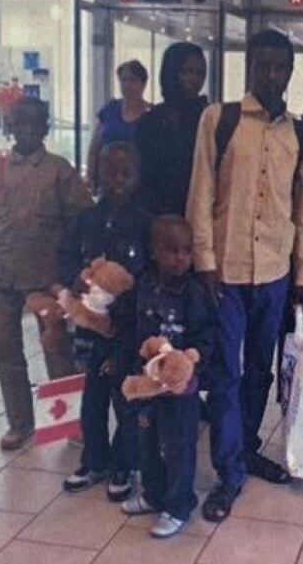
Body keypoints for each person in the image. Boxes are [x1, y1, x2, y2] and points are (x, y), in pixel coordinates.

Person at [186, 29, 303, 522]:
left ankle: (245, 449)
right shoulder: (218, 120)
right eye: (262, 66)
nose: (271, 75)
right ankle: (228, 472)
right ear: (250, 68)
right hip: (225, 272)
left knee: (260, 370)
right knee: (225, 372)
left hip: (276, 272)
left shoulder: (302, 132)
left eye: (279, 67)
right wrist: (204, 262)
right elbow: (200, 193)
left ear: (289, 71)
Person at [0, 97, 92, 450]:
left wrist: (75, 274)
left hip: (47, 278)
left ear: (45, 127)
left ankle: (64, 421)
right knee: (2, 349)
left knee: (57, 350)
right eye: (20, 122)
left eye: (34, 123)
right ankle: (20, 421)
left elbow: (83, 220)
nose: (27, 129)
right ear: (9, 126)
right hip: (0, 276)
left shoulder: (60, 170)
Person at [59, 142, 151, 501]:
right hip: (91, 326)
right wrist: (76, 279)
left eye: (125, 172)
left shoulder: (145, 223)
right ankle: (94, 459)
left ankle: (124, 464)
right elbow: (66, 258)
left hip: (126, 328)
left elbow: (148, 275)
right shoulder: (85, 221)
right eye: (109, 171)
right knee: (93, 396)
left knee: (124, 396)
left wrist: (127, 300)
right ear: (96, 173)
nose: (117, 179)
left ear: (137, 176)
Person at [120, 215, 216, 538]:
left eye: (187, 251)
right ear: (153, 252)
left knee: (178, 446)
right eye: (172, 250)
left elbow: (205, 337)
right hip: (147, 385)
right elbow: (131, 329)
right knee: (147, 440)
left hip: (179, 389)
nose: (181, 258)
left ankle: (177, 505)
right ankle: (154, 493)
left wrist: (192, 359)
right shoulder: (142, 285)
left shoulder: (194, 294)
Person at [135, 42, 208, 215]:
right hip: (157, 214)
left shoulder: (209, 116)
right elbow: (143, 175)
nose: (194, 79)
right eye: (187, 71)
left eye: (199, 73)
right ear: (171, 72)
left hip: (200, 210)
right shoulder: (152, 120)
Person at [86, 60, 150, 192]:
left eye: (132, 80)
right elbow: (95, 146)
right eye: (123, 80)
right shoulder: (110, 109)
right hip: (107, 180)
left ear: (143, 84)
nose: (127, 85)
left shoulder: (151, 115)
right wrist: (90, 176)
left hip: (138, 183)